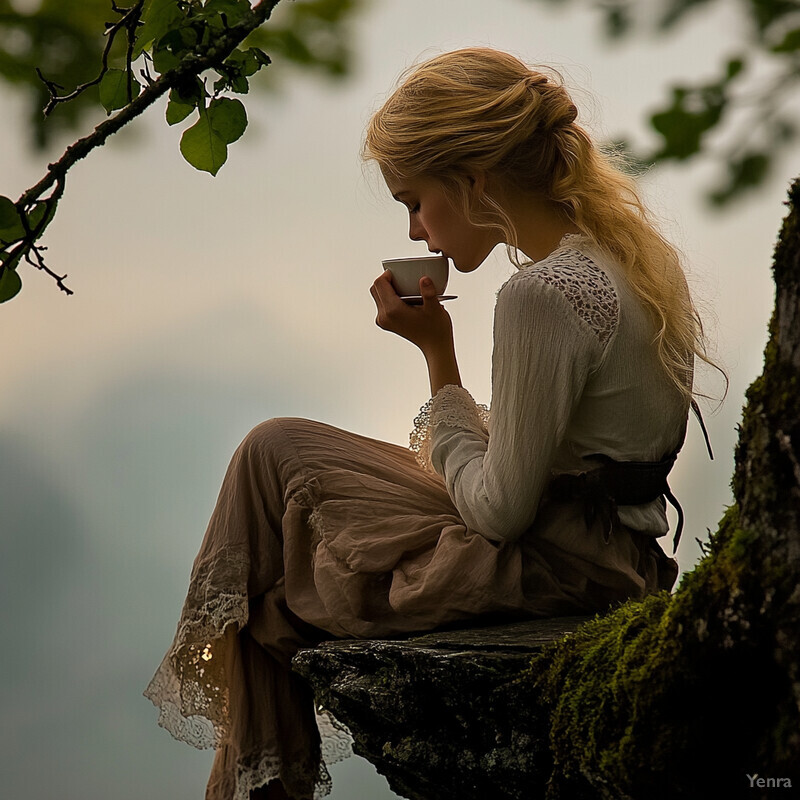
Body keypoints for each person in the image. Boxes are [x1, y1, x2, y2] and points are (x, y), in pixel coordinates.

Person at [144, 47, 721, 800]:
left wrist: (436, 356)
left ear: (474, 179)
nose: (417, 232)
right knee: (274, 450)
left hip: (564, 560)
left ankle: (254, 788)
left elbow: (498, 511)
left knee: (274, 581)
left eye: (413, 200)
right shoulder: (631, 257)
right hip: (612, 547)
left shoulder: (543, 295)